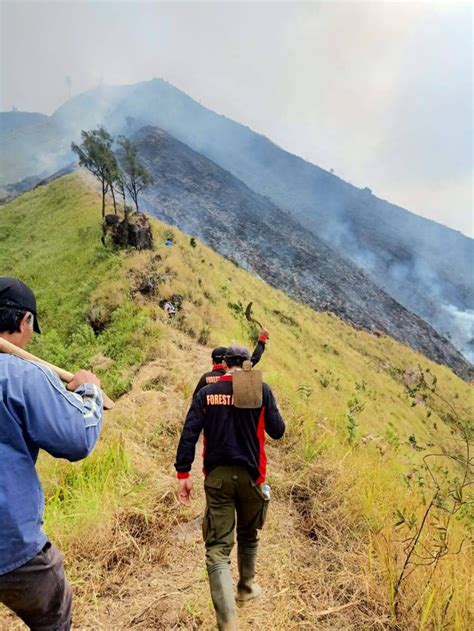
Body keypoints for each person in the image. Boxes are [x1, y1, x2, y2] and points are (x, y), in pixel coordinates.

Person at [0, 277, 104, 630]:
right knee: (54, 616)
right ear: (24, 321)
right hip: (11, 547)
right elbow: (77, 438)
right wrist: (90, 392)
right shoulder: (21, 375)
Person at [175, 345, 285, 630]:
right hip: (252, 476)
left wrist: (182, 473)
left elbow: (190, 432)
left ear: (224, 364)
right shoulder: (260, 388)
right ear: (247, 364)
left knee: (218, 550)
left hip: (217, 477)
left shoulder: (207, 393)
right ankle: (246, 588)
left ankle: (228, 624)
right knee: (249, 534)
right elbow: (278, 430)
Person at [192, 328, 269, 397]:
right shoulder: (239, 375)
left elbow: (196, 401)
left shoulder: (205, 378)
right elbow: (255, 358)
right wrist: (262, 339)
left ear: (214, 362)